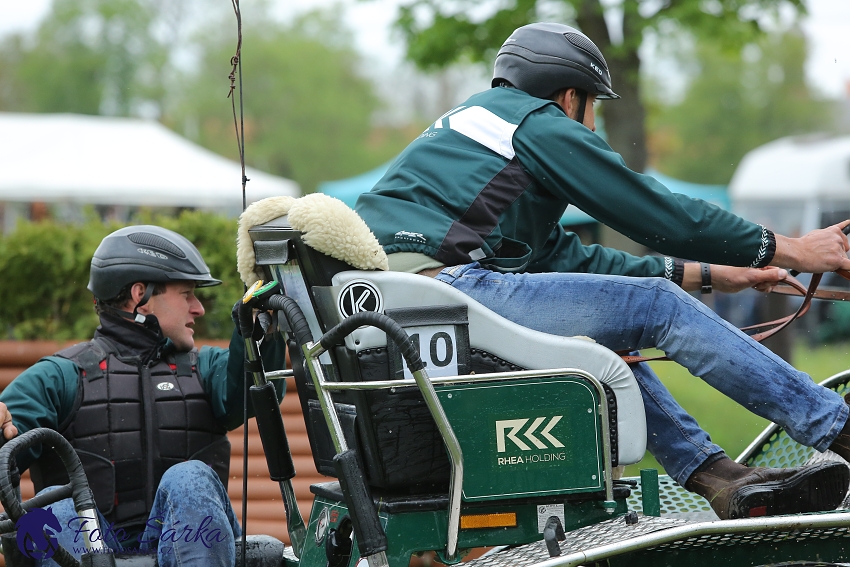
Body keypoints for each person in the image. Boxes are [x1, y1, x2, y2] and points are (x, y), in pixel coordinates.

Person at [355, 22, 850, 520]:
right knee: (656, 306)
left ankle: (721, 480)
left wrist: (714, 273)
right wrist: (789, 249)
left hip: (401, 304)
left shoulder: (477, 139)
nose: (590, 130)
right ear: (570, 98)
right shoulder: (535, 123)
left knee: (612, 327)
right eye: (593, 109)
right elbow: (654, 213)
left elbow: (575, 261)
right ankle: (838, 427)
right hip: (441, 292)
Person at [0, 226, 286, 567]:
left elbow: (252, 389)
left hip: (188, 546)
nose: (199, 309)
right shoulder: (58, 377)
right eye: (187, 294)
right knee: (54, 504)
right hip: (91, 549)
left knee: (189, 477)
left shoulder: (206, 370)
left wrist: (259, 334)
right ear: (141, 295)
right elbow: (6, 447)